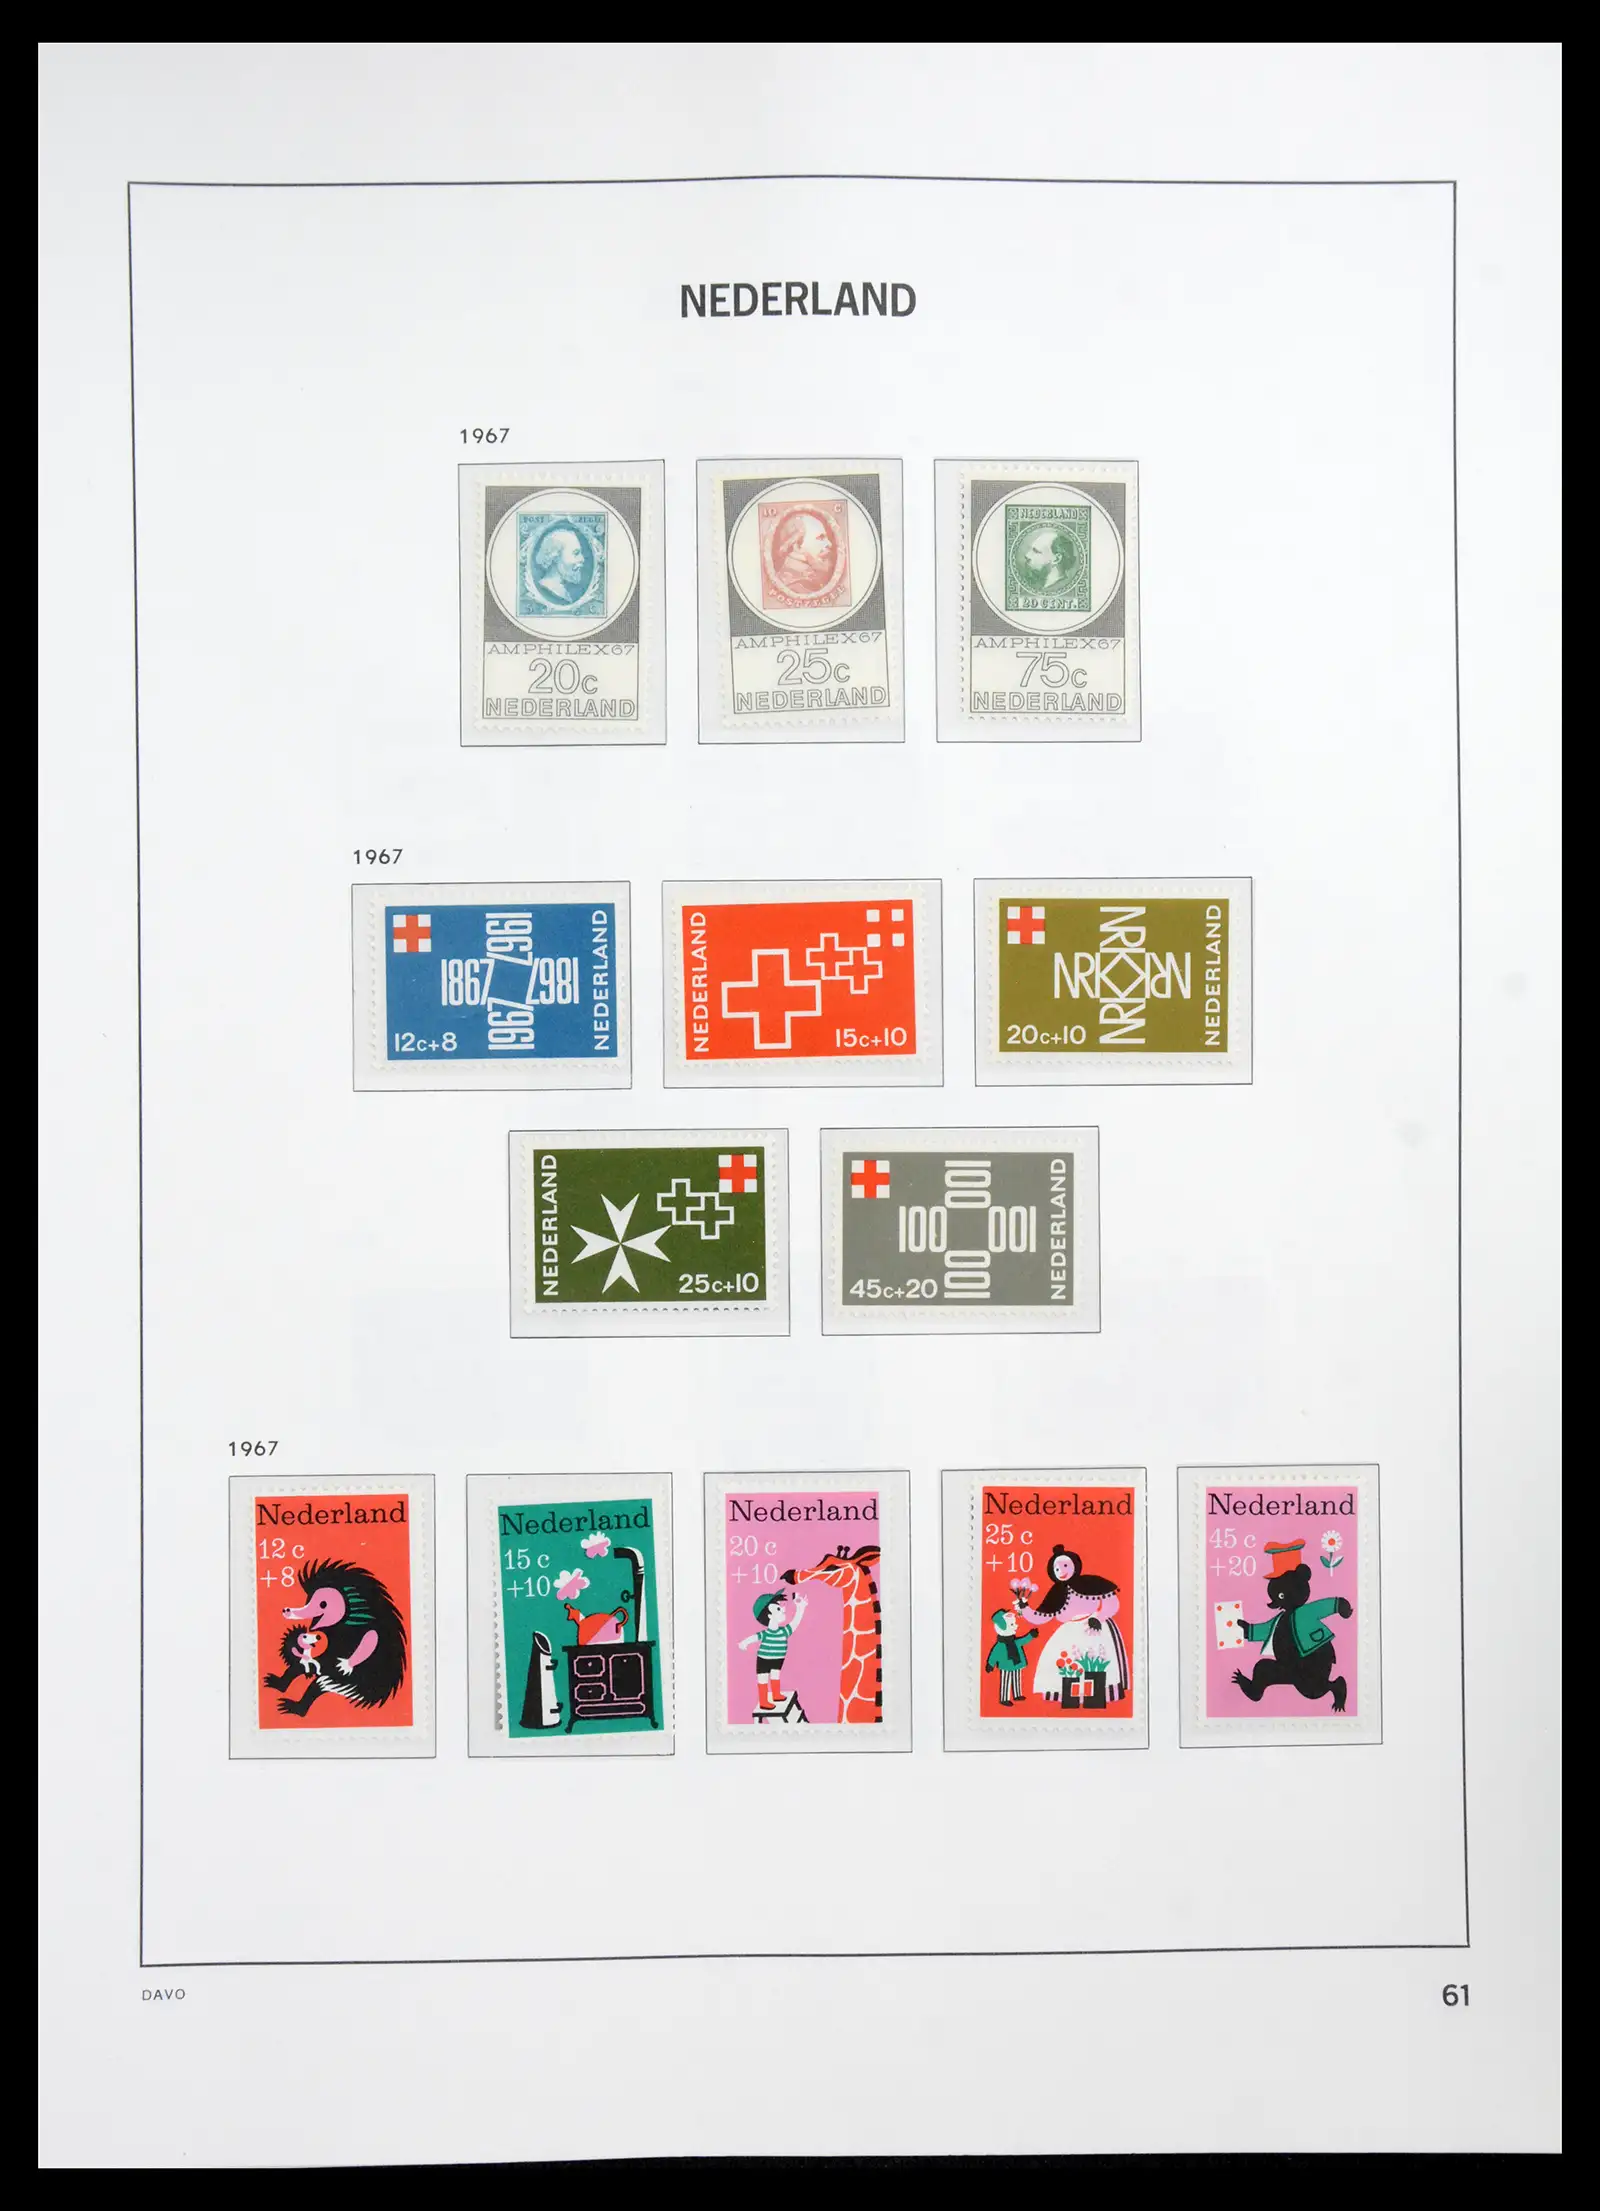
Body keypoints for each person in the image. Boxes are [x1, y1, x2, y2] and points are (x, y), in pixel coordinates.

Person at [738, 1589, 808, 1712]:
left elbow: (795, 1623)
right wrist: (745, 1642)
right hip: (764, 1659)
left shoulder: (783, 1631)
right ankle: (763, 1701)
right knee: (763, 1678)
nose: (783, 1609)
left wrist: (800, 1608)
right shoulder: (766, 1633)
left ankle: (776, 1694)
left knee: (776, 1675)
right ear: (769, 1615)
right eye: (778, 1609)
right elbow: (756, 1637)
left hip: (778, 1658)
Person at [769, 507, 841, 596]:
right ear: (797, 547)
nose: (829, 544)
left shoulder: (816, 582)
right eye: (821, 538)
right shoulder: (796, 588)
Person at [984, 1606, 1038, 1705]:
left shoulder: (1014, 1641)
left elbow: (1023, 1641)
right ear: (1003, 1627)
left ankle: (1017, 1695)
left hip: (1016, 1664)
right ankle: (1004, 1698)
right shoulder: (1000, 1645)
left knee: (1017, 1679)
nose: (1016, 1626)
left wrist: (1031, 1635)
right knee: (1005, 1681)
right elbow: (994, 1654)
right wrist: (990, 1664)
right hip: (1006, 1666)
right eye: (1012, 1624)